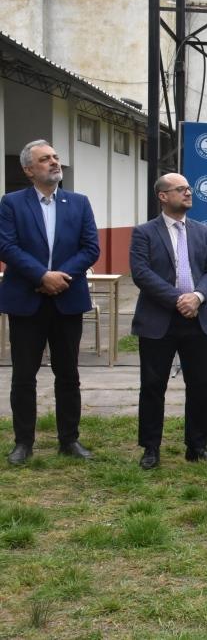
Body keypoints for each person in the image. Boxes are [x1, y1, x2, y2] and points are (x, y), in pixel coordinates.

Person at [0, 140, 100, 465]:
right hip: (27, 301)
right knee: (24, 376)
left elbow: (90, 248)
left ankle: (69, 440)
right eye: (45, 159)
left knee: (68, 374)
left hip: (67, 300)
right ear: (29, 169)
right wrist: (42, 276)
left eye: (55, 157)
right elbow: (7, 246)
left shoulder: (79, 203)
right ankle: (23, 443)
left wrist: (59, 278)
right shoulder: (11, 203)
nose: (54, 162)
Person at [130, 173, 207, 469]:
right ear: (163, 196)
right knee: (153, 385)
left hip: (198, 318)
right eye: (181, 189)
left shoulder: (203, 232)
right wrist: (177, 299)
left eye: (189, 189)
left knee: (201, 385)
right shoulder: (144, 232)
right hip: (159, 319)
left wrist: (196, 297)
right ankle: (151, 448)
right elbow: (141, 273)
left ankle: (197, 446)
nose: (188, 193)